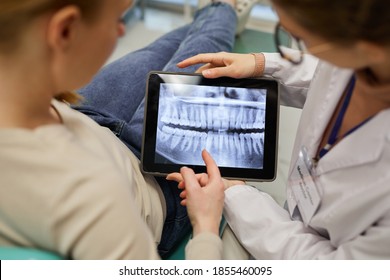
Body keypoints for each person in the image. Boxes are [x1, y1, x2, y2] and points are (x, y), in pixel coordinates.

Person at [0, 0, 256, 259]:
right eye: (117, 21)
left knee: (173, 45)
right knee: (204, 46)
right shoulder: (91, 194)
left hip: (81, 119)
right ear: (65, 31)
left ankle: (215, 12)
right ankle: (223, 7)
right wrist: (206, 224)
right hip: (155, 183)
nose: (122, 31)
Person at [168, 0, 390, 259]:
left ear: (367, 50)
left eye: (299, 38)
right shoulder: (365, 54)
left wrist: (234, 196)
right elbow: (322, 71)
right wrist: (260, 64)